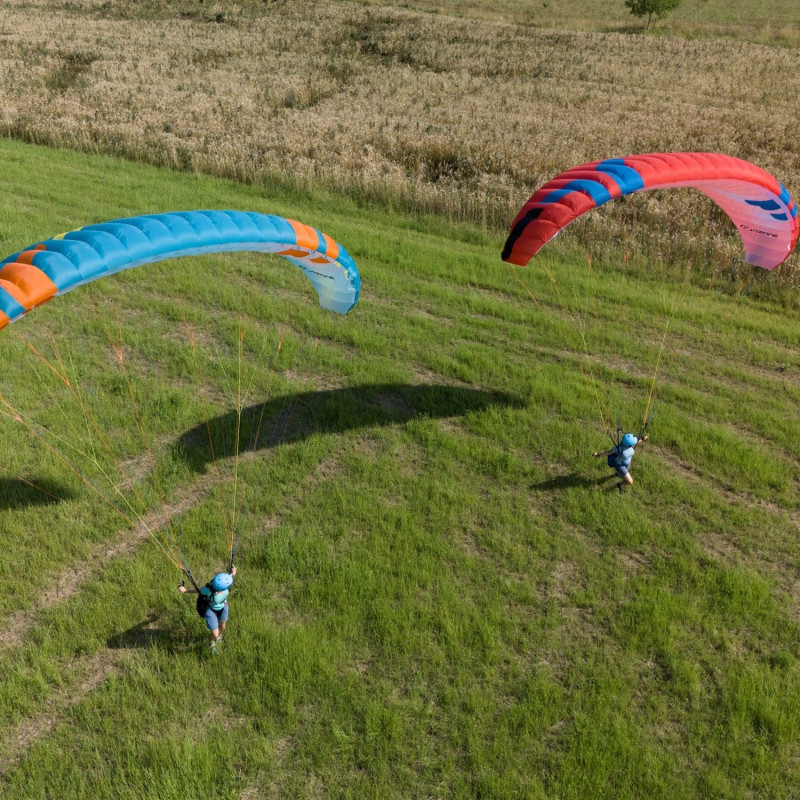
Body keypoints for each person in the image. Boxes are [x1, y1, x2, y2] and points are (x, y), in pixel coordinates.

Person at [179, 566, 237, 653]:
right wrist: (185, 591)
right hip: (211, 610)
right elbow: (198, 590)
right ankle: (211, 643)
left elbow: (228, 578)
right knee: (215, 633)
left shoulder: (223, 586)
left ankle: (217, 637)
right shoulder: (208, 590)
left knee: (222, 626)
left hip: (223, 606)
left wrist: (232, 573)